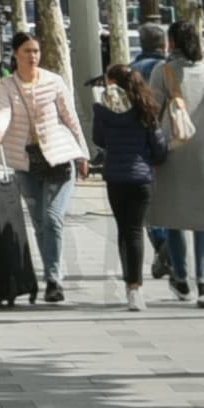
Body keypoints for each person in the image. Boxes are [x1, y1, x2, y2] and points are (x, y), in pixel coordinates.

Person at [0, 30, 84, 306]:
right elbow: (1, 113)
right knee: (40, 223)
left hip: (60, 159)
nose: (33, 56)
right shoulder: (6, 86)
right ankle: (52, 274)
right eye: (27, 51)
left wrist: (83, 154)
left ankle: (54, 279)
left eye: (36, 51)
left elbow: (70, 117)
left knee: (52, 217)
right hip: (26, 163)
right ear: (16, 54)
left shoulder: (54, 82)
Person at [146, 24, 204, 309]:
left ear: (172, 42)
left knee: (174, 218)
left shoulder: (163, 72)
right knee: (202, 222)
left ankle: (181, 279)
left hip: (172, 153)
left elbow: (151, 110)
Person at [86, 52, 164, 307]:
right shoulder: (145, 105)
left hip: (116, 177)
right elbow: (159, 145)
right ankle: (135, 289)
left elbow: (98, 139)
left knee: (124, 228)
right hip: (141, 178)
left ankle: (129, 281)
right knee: (135, 231)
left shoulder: (102, 108)